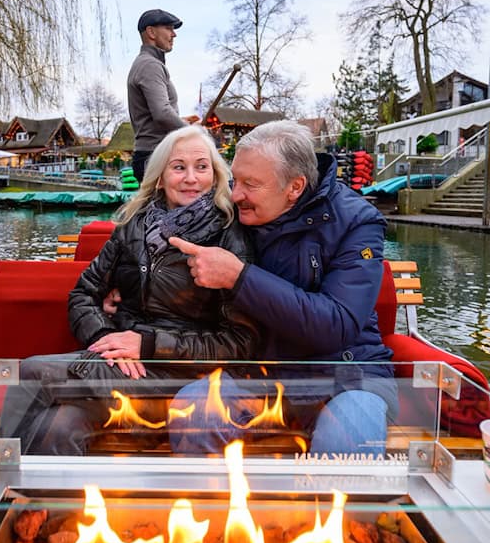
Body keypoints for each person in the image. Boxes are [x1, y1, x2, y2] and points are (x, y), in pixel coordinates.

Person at [0, 126, 259, 454]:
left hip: (186, 377)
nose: (191, 177)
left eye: (201, 166)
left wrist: (147, 344)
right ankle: (43, 503)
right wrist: (106, 341)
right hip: (126, 370)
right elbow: (84, 293)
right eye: (179, 167)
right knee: (59, 426)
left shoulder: (229, 236)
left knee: (33, 371)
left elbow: (240, 342)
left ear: (216, 174)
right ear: (160, 178)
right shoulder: (135, 227)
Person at [166, 120, 397, 455]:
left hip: (347, 376)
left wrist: (238, 277)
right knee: (192, 410)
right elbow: (157, 236)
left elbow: (338, 324)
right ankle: (210, 507)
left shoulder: (358, 221)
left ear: (295, 187)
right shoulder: (233, 212)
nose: (235, 194)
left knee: (350, 435)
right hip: (257, 374)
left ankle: (341, 508)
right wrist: (125, 288)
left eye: (250, 184)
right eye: (234, 180)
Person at [127, 9, 198, 184]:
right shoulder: (150, 65)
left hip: (153, 154)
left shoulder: (148, 63)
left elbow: (159, 113)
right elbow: (162, 113)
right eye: (168, 28)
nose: (174, 34)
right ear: (151, 32)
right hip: (154, 156)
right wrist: (193, 132)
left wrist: (185, 123)